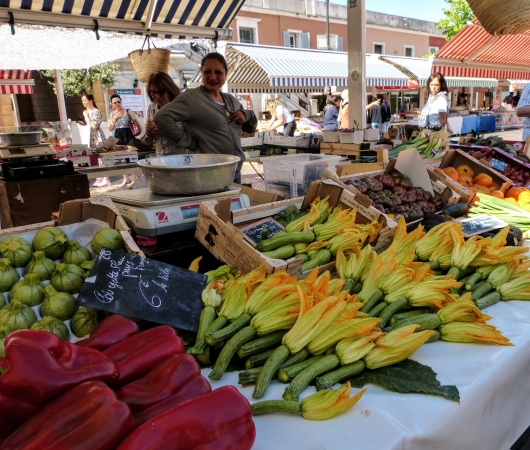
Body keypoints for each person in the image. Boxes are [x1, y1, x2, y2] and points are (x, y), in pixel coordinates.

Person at [154, 52, 257, 184]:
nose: (212, 77)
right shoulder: (191, 98)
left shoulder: (231, 101)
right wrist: (188, 142)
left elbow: (251, 128)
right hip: (210, 174)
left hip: (235, 172)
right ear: (201, 73)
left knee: (235, 205)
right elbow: (161, 118)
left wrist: (246, 115)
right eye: (207, 71)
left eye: (218, 72)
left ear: (225, 74)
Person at [141, 72, 195, 156]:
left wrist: (164, 131)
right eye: (153, 93)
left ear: (170, 90)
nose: (157, 97)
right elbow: (146, 141)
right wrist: (148, 132)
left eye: (161, 92)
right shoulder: (151, 108)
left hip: (182, 159)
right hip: (161, 160)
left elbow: (191, 136)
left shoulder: (181, 106)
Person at [108, 94, 141, 188]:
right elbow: (110, 128)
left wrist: (141, 134)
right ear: (112, 104)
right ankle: (126, 178)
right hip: (118, 136)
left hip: (128, 135)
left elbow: (136, 122)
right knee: (119, 158)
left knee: (132, 158)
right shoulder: (112, 114)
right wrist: (114, 118)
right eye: (115, 102)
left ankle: (134, 179)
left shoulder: (128, 111)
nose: (118, 104)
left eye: (119, 101)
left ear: (121, 102)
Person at [79, 93, 107, 187]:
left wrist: (87, 117)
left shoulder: (96, 111)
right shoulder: (85, 112)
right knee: (93, 157)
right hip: (89, 137)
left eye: (85, 100)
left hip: (97, 137)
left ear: (91, 101)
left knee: (101, 157)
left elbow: (94, 126)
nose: (83, 102)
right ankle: (98, 177)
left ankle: (105, 178)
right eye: (82, 100)